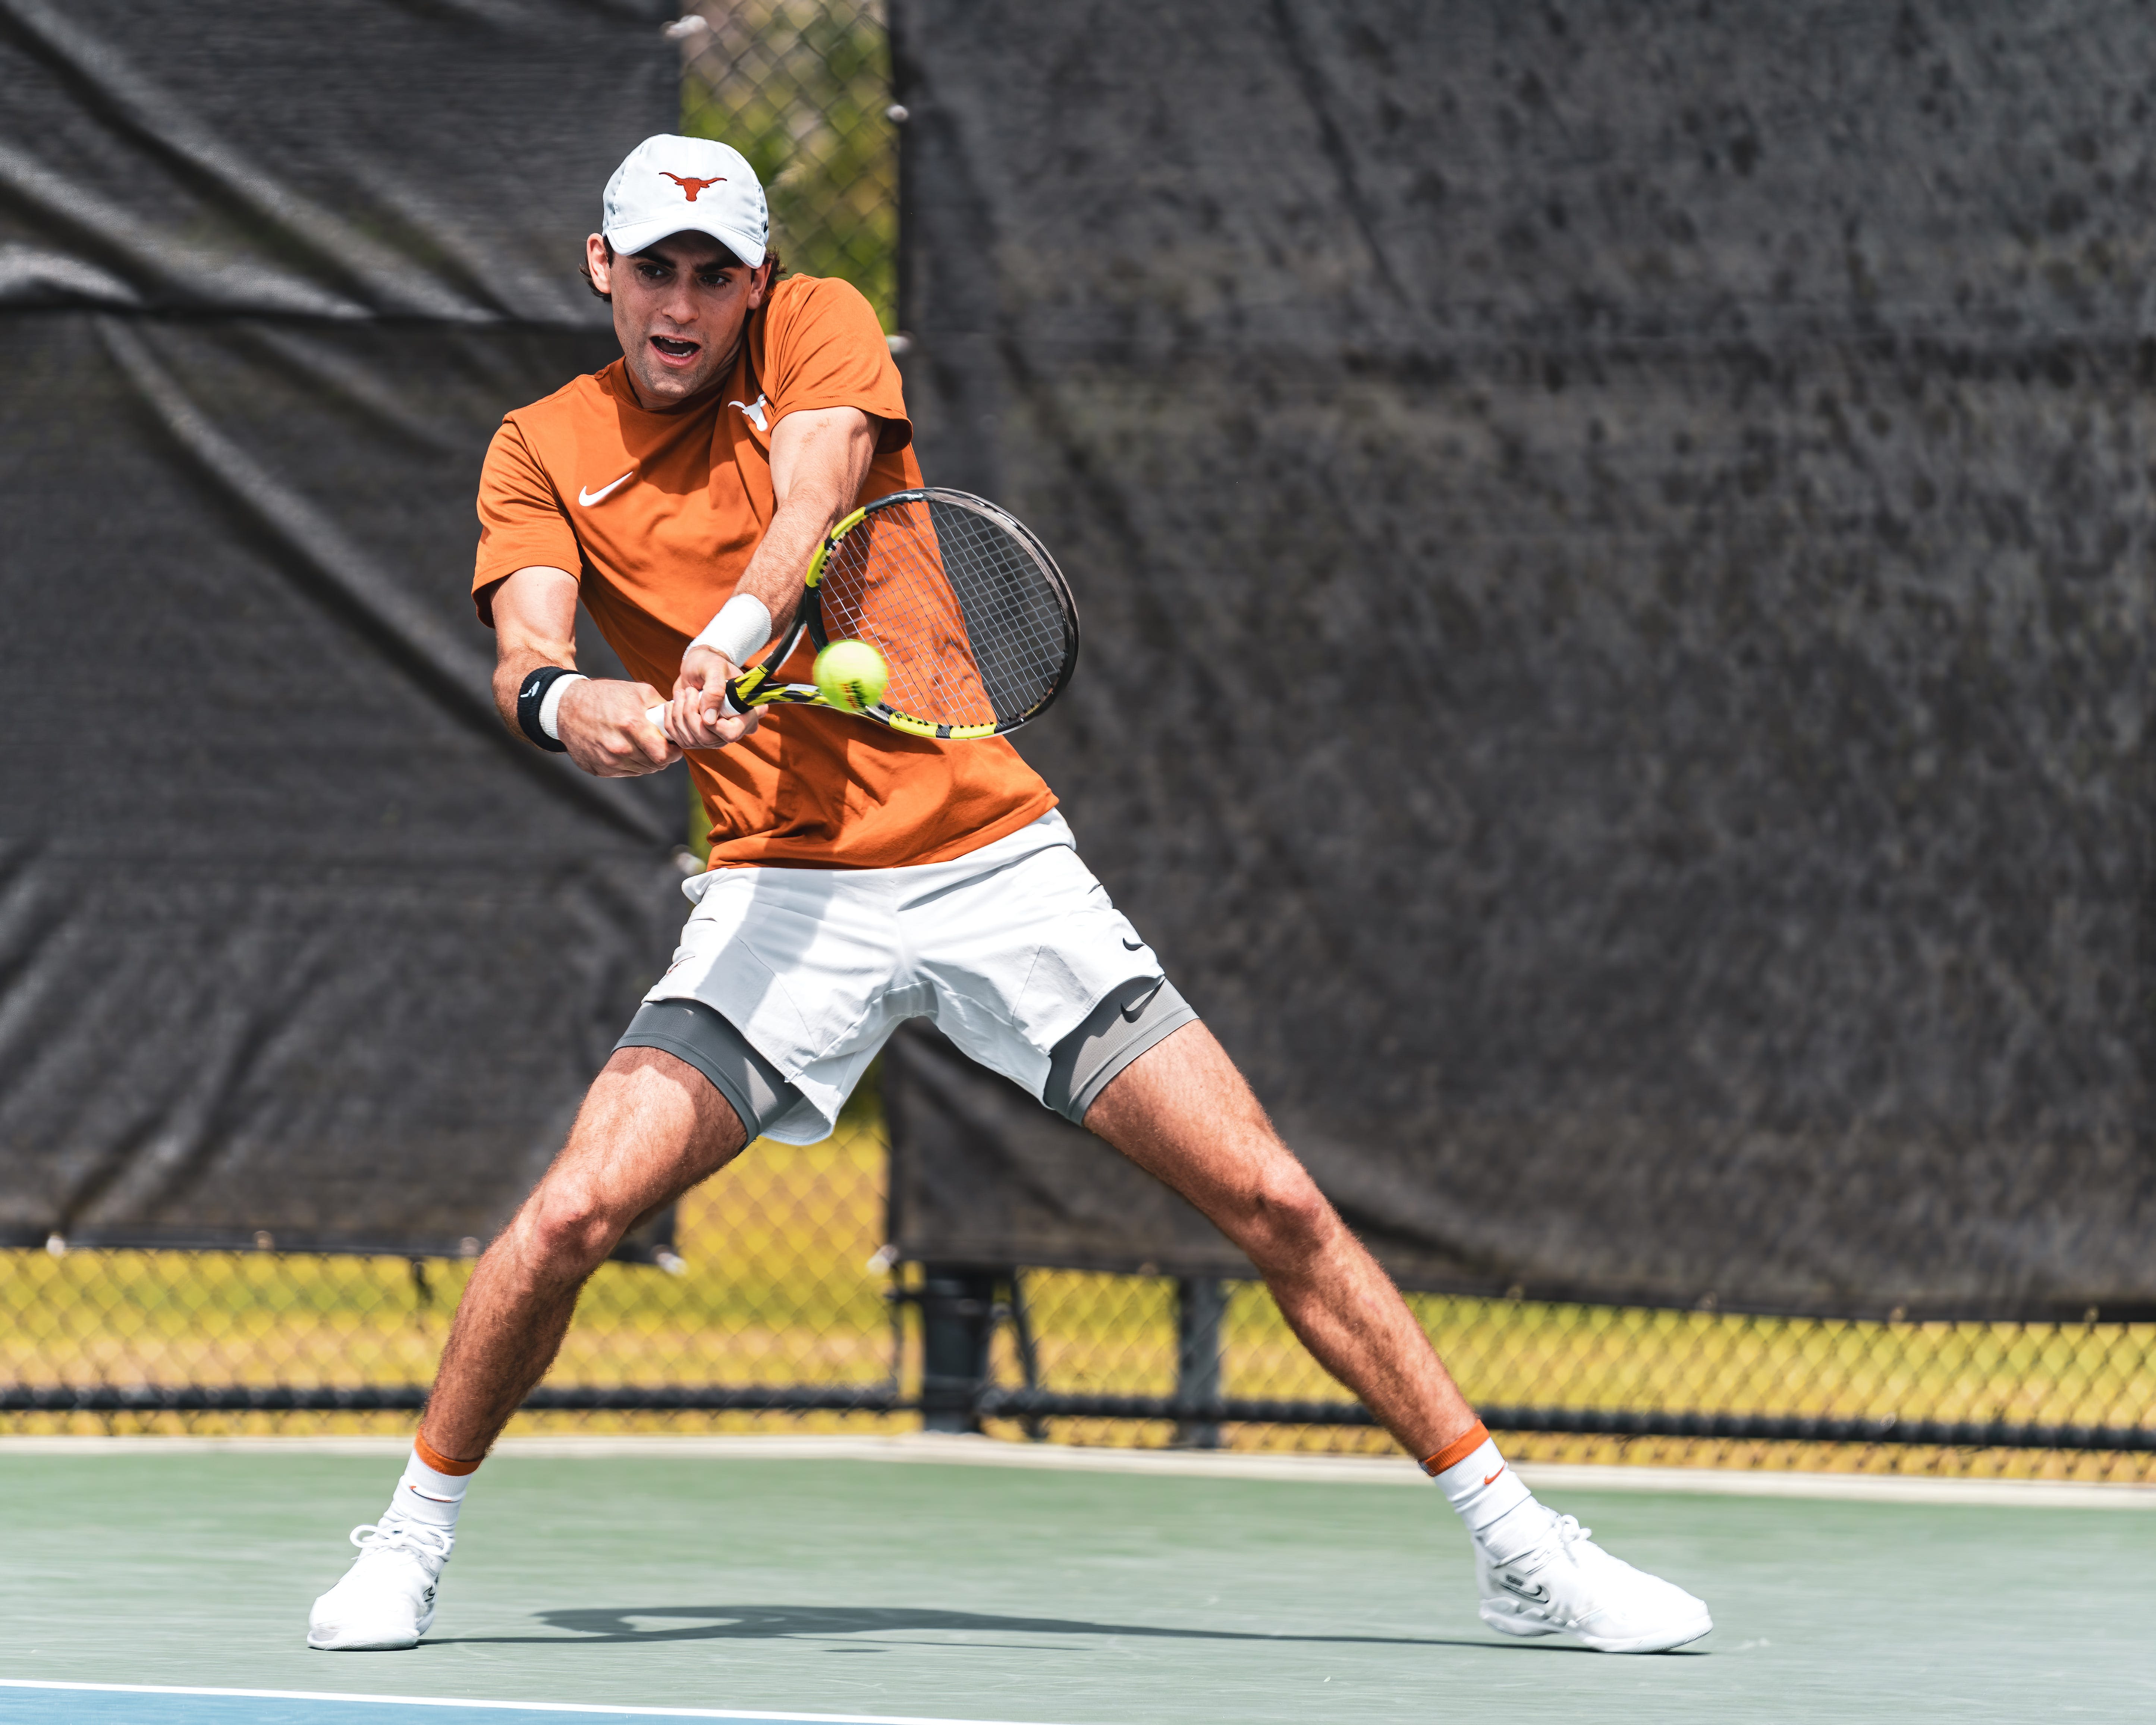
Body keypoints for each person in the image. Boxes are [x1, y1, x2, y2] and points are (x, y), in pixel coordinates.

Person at [306, 134, 1712, 1657]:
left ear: (758, 281)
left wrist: (725, 633)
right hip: (784, 888)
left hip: (989, 859)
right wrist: (578, 709)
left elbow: (814, 490)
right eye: (657, 267)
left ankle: (1523, 1545)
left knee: (1273, 1196)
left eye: (717, 273)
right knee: (576, 1206)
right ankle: (409, 1539)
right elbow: (526, 653)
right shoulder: (538, 446)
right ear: (605, 268)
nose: (686, 301)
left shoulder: (819, 323)